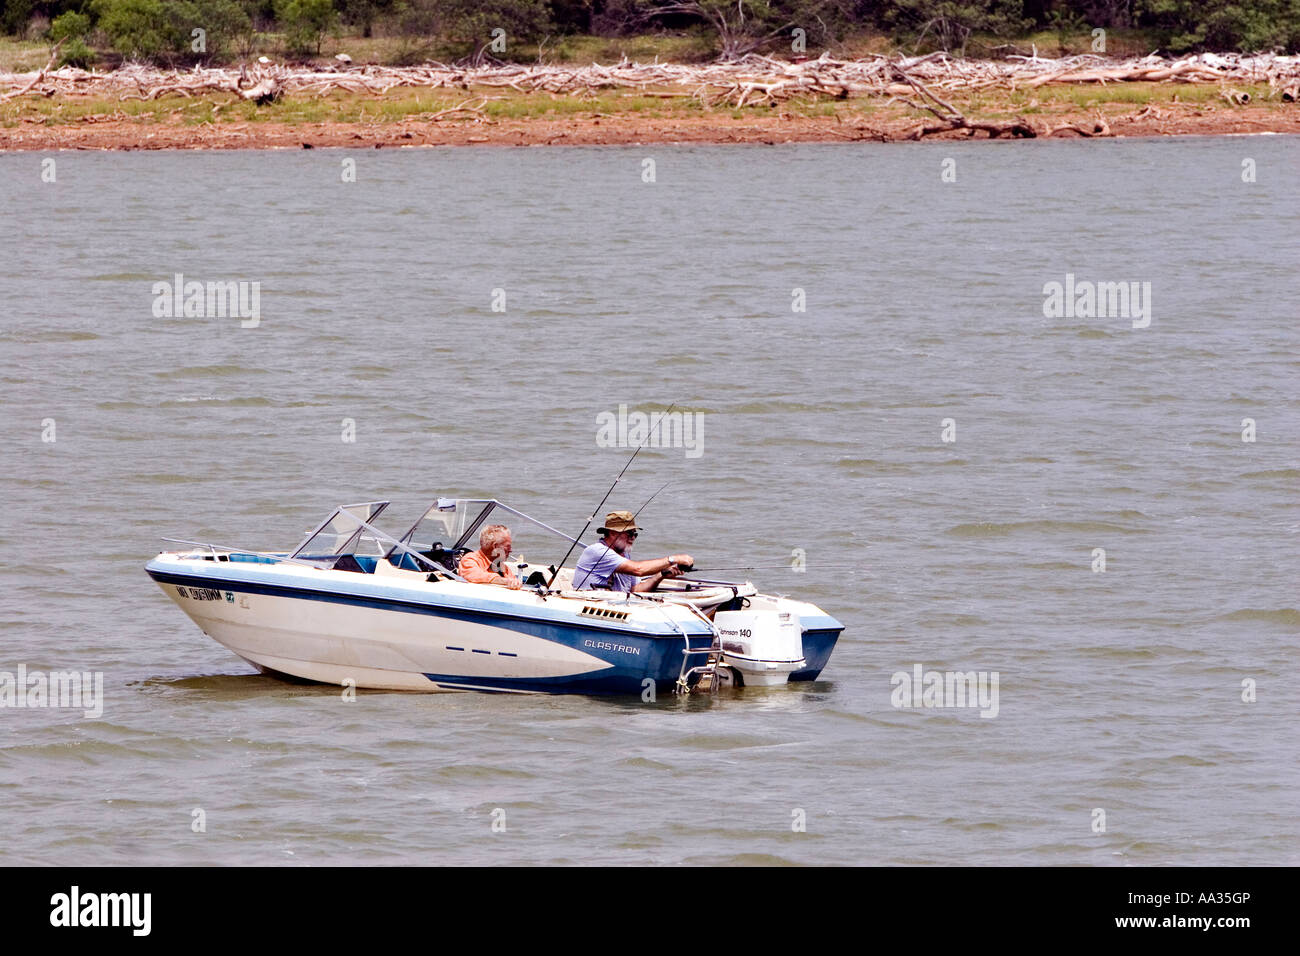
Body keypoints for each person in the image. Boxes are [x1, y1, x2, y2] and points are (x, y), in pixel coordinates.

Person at [572, 511, 693, 593]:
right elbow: (638, 570)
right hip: (589, 606)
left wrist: (661, 575)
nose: (633, 538)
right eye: (629, 533)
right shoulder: (597, 551)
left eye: (635, 534)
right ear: (613, 533)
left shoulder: (625, 555)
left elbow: (635, 589)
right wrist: (673, 559)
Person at [457, 524, 522, 589]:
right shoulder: (469, 559)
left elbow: (514, 582)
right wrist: (504, 581)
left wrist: (515, 583)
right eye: (508, 546)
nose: (510, 550)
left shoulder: (504, 568)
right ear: (495, 547)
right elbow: (474, 575)